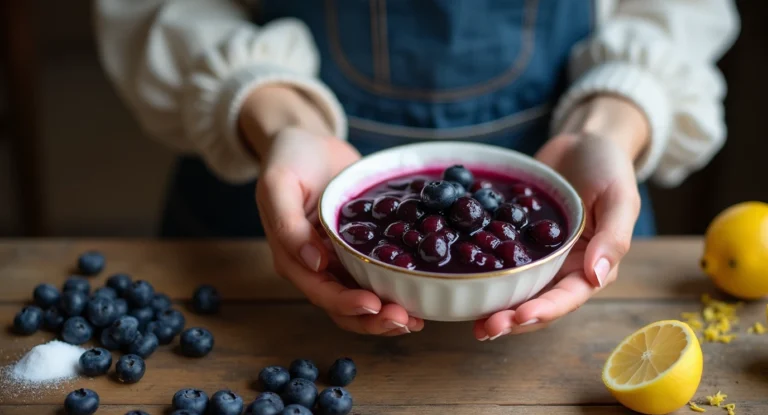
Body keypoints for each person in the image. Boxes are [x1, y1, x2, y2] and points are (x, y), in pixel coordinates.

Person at [94, 0, 740, 340]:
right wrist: (282, 121)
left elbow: (679, 11)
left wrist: (607, 127)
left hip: (580, 190)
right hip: (272, 205)